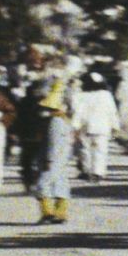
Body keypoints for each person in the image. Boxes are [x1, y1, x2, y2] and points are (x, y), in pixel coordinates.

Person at [34, 76, 76, 224]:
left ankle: (48, 213)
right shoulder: (65, 120)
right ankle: (60, 213)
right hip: (62, 158)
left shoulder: (54, 122)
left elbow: (53, 143)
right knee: (60, 183)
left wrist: (48, 159)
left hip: (52, 159)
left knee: (43, 184)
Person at [72, 70, 121, 182]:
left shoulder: (80, 96)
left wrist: (75, 126)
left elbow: (77, 112)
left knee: (85, 150)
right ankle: (98, 172)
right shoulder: (106, 95)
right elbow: (112, 111)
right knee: (101, 150)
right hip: (102, 127)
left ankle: (87, 170)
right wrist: (115, 126)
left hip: (85, 126)